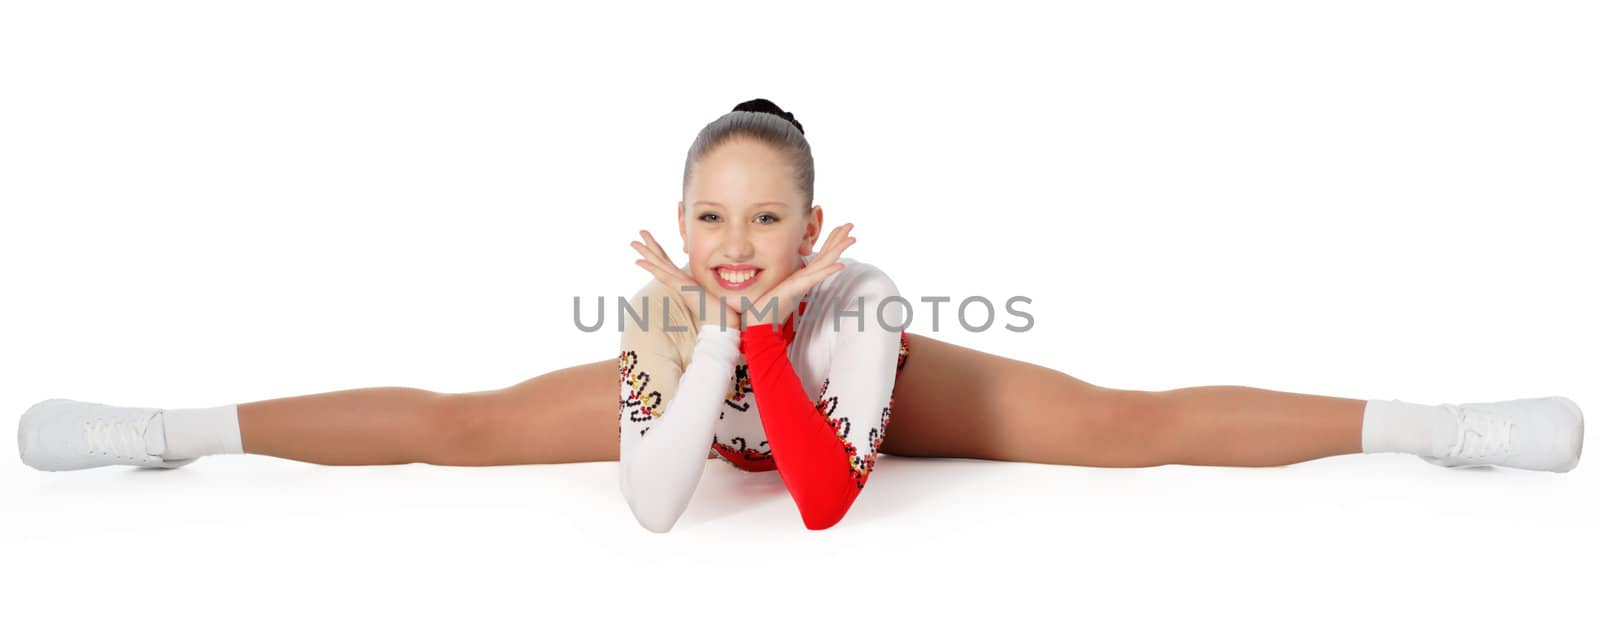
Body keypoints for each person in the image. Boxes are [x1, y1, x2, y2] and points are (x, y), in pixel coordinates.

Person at [17, 99, 1586, 531]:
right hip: (715, 387)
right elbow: (654, 505)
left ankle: (1440, 429)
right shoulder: (660, 307)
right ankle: (163, 433)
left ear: (814, 226)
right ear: (678, 221)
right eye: (712, 217)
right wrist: (696, 335)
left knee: (1130, 426)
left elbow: (828, 502)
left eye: (769, 218)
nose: (739, 240)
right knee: (456, 426)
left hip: (842, 405)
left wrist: (765, 332)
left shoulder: (860, 306)